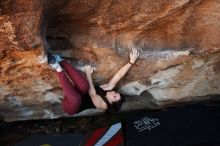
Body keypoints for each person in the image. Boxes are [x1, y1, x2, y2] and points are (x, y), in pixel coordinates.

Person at [48, 48, 139, 115]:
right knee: (84, 86)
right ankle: (61, 61)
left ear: (111, 102)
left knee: (77, 99)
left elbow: (92, 94)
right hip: (76, 93)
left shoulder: (104, 105)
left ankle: (58, 69)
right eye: (115, 92)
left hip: (71, 107)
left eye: (114, 97)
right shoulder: (108, 89)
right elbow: (119, 76)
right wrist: (131, 62)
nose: (113, 93)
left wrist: (88, 74)